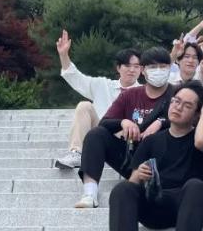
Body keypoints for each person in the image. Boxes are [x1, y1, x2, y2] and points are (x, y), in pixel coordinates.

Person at [104, 81, 203, 231]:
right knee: (122, 189)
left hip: (191, 205)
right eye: (176, 101)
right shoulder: (152, 141)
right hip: (156, 204)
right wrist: (140, 175)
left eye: (187, 105)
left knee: (196, 186)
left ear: (197, 114)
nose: (178, 107)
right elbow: (132, 184)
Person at [75, 47, 176, 209]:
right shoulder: (130, 94)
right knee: (96, 134)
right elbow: (105, 122)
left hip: (166, 159)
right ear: (143, 70)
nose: (158, 71)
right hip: (133, 157)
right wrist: (123, 122)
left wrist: (161, 122)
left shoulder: (177, 93)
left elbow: (192, 118)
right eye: (152, 67)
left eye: (162, 66)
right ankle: (90, 193)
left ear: (169, 68)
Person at [54, 30, 142, 170]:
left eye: (136, 66)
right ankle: (76, 153)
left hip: (127, 140)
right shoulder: (103, 85)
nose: (132, 70)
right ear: (118, 68)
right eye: (127, 65)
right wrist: (64, 55)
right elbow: (76, 78)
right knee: (84, 106)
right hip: (101, 133)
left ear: (141, 70)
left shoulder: (145, 92)